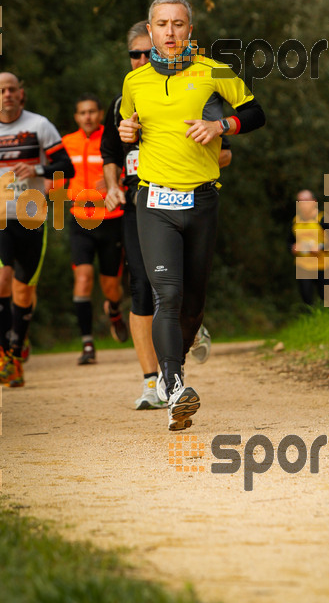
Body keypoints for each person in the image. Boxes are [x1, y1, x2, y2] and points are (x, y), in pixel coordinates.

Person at [119, 0, 265, 430]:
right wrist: (128, 129)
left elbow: (256, 113)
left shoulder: (212, 71)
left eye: (178, 24)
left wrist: (222, 125)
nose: (169, 32)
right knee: (168, 294)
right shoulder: (135, 82)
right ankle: (175, 385)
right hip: (155, 199)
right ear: (150, 31)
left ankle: (173, 369)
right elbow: (128, 125)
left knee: (194, 304)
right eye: (161, 24)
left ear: (190, 31)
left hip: (201, 200)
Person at [102, 20, 233, 409]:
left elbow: (223, 148)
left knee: (185, 296)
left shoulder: (195, 88)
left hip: (191, 197)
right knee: (147, 289)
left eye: (148, 52)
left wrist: (211, 148)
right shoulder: (126, 97)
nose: (142, 59)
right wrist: (111, 186)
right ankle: (154, 380)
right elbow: (110, 152)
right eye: (135, 54)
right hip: (140, 202)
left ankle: (177, 348)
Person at [0, 72, 74, 387]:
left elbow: (67, 167)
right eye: (0, 90)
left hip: (32, 215)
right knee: (2, 278)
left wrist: (37, 168)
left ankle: (17, 352)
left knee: (24, 291)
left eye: (12, 89)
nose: (6, 94)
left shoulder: (39, 126)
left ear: (21, 94)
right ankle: (4, 357)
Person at [62, 95, 129, 366]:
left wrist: (115, 182)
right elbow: (58, 174)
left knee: (111, 286)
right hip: (80, 220)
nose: (87, 116)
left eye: (92, 111)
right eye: (82, 113)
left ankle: (114, 310)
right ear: (76, 117)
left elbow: (129, 168)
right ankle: (87, 343)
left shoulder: (112, 138)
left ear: (100, 114)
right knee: (83, 278)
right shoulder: (67, 143)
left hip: (112, 219)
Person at [289, 189, 329, 306]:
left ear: (314, 202)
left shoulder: (323, 219)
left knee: (326, 297)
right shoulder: (295, 221)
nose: (303, 204)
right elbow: (290, 242)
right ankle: (310, 317)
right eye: (300, 201)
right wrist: (292, 248)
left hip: (322, 265)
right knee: (306, 298)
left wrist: (320, 247)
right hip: (303, 265)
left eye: (306, 200)